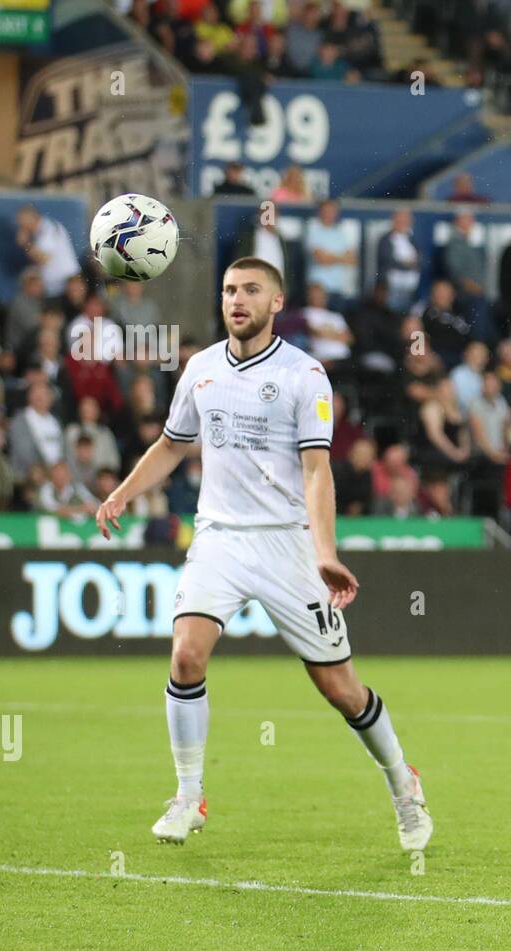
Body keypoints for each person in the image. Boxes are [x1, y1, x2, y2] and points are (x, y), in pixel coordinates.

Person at [94, 257, 432, 852]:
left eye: (251, 290)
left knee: (340, 689)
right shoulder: (200, 369)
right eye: (228, 290)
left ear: (277, 302)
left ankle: (402, 779)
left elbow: (317, 471)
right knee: (185, 657)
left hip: (286, 543)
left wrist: (324, 552)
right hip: (220, 537)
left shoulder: (306, 375)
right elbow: (173, 445)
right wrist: (123, 491)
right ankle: (188, 795)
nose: (237, 300)